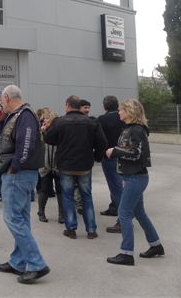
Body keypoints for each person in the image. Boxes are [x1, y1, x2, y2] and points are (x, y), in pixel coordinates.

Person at [0, 85, 49, 284]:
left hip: (18, 174)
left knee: (12, 218)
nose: (0, 104)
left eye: (1, 100)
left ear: (7, 98)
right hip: (21, 173)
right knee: (21, 219)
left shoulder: (24, 115)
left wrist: (14, 167)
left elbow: (25, 144)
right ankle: (18, 261)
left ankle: (36, 264)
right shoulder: (20, 115)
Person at [106, 98, 164, 266]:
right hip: (134, 177)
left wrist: (114, 151)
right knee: (139, 213)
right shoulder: (131, 129)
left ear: (129, 112)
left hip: (135, 178)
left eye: (121, 110)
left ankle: (126, 254)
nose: (119, 112)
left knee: (124, 213)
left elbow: (136, 154)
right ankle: (156, 245)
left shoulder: (136, 130)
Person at [43, 95, 107, 240]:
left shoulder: (60, 122)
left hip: (65, 166)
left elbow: (48, 139)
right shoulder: (91, 122)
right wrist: (96, 157)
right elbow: (102, 142)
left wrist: (48, 131)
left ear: (67, 106)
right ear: (79, 107)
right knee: (87, 196)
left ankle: (71, 229)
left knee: (68, 197)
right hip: (85, 165)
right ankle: (91, 230)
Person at [97, 95, 126, 233]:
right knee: (120, 186)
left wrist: (97, 154)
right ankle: (114, 208)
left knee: (116, 187)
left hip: (109, 156)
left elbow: (99, 139)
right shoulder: (124, 118)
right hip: (125, 156)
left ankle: (122, 221)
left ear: (105, 106)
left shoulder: (102, 119)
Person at [36, 107, 62, 223]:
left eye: (46, 119)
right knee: (44, 189)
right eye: (43, 119)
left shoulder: (59, 129)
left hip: (58, 164)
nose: (44, 121)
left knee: (60, 190)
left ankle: (62, 214)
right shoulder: (40, 131)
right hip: (44, 164)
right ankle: (41, 212)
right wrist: (41, 132)